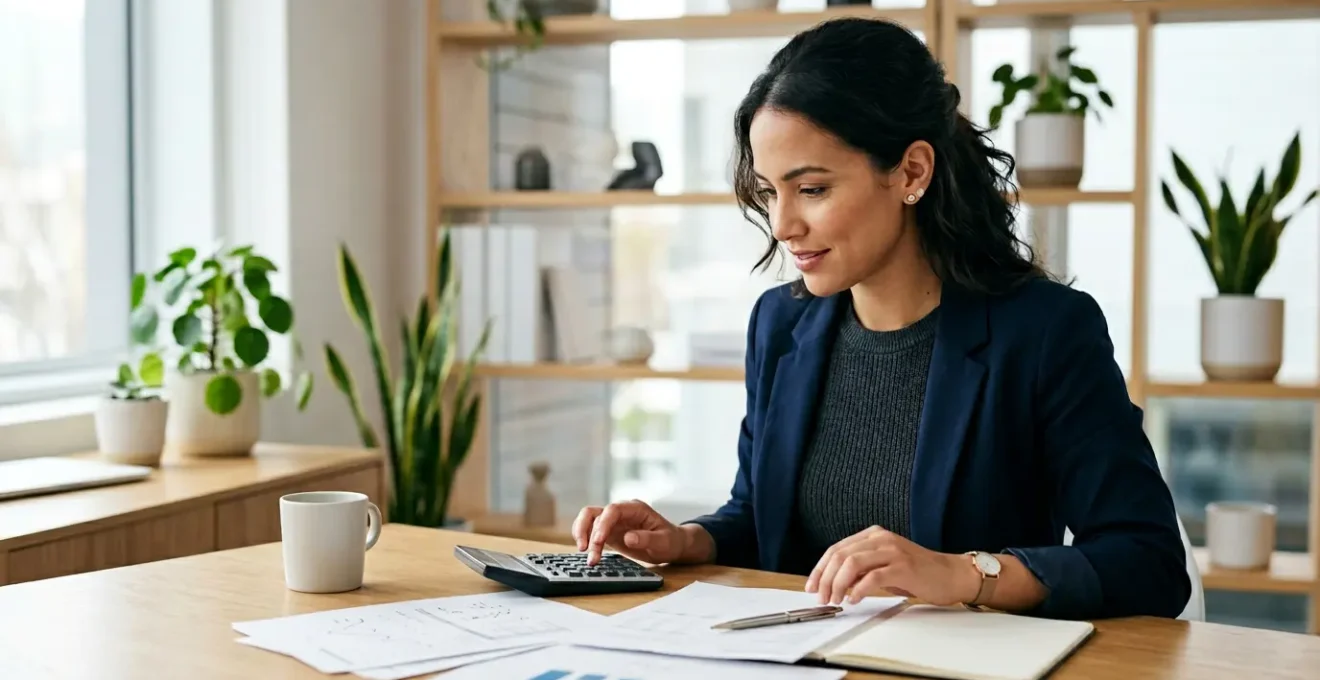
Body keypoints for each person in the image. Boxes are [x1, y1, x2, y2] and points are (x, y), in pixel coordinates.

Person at [571, 17, 1191, 621]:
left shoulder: (1047, 331)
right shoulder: (780, 326)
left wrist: (962, 574)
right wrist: (687, 540)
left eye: (811, 189)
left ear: (911, 172)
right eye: (769, 192)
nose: (784, 225)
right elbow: (761, 515)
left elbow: (1148, 561)